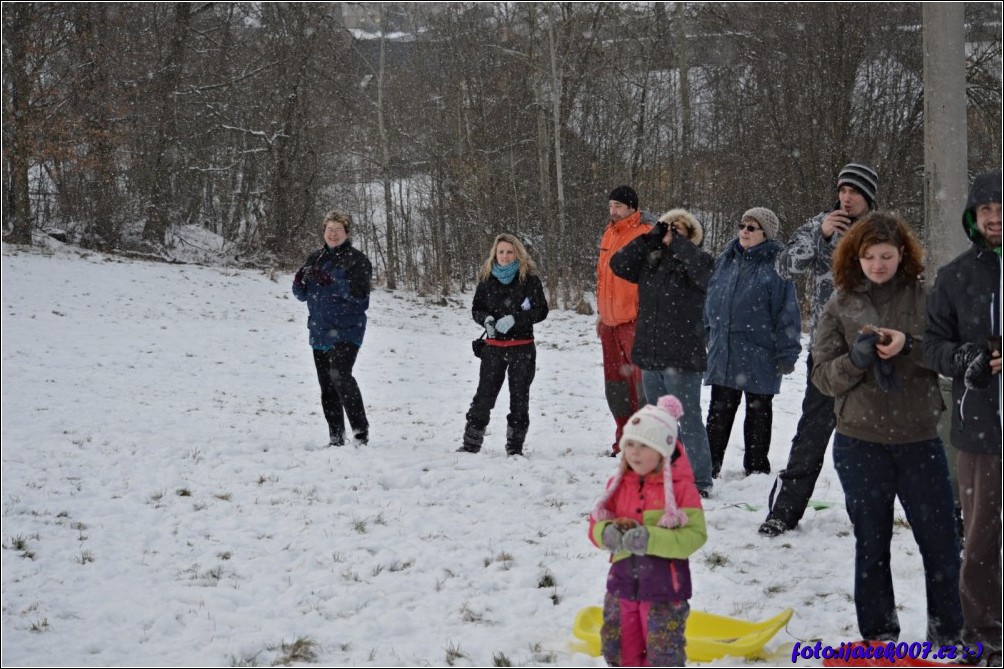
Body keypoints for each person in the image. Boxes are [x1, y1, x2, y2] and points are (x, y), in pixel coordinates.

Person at [812, 211, 963, 645]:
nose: (877, 264)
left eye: (886, 255)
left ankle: (949, 633)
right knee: (871, 546)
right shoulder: (840, 305)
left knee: (941, 544)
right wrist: (855, 362)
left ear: (902, 255)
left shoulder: (926, 298)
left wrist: (909, 345)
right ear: (855, 258)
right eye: (869, 256)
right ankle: (879, 636)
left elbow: (947, 357)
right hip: (860, 442)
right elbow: (821, 376)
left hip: (919, 440)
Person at [760, 162, 878, 536]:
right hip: (827, 351)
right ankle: (784, 511)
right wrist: (821, 237)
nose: (846, 197)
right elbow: (783, 268)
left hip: (871, 350)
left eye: (855, 191)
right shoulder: (818, 224)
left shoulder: (884, 231)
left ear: (868, 197)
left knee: (867, 437)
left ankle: (869, 516)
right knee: (812, 431)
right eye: (843, 190)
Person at [924, 170, 1002, 661]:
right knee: (980, 539)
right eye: (987, 210)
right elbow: (932, 347)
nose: (996, 218)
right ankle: (986, 631)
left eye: (1002, 209)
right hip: (981, 428)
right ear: (973, 218)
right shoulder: (955, 276)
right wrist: (967, 359)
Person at [588, 395, 708, 667]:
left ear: (663, 450)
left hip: (664, 593)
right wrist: (605, 533)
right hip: (621, 589)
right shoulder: (617, 484)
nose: (635, 452)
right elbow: (595, 523)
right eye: (629, 444)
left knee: (663, 656)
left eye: (644, 445)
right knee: (618, 651)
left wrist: (649, 539)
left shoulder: (680, 490)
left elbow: (695, 536)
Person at [610, 209, 715, 496]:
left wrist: (680, 244)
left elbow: (705, 274)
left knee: (688, 417)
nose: (671, 233)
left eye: (679, 230)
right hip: (651, 355)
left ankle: (700, 480)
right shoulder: (651, 262)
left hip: (682, 356)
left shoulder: (697, 262)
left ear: (691, 235)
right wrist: (650, 238)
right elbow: (617, 264)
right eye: (669, 228)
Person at [703, 207, 801, 477]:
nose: (744, 231)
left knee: (758, 412)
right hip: (724, 349)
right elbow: (711, 297)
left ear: (765, 234)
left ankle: (756, 469)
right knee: (719, 409)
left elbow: (787, 312)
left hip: (760, 352)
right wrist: (707, 331)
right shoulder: (726, 259)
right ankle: (709, 465)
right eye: (742, 225)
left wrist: (787, 353)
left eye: (752, 227)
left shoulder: (777, 266)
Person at [458, 234, 548, 456]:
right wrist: (486, 320)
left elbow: (541, 311)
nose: (505, 256)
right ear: (494, 254)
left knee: (519, 397)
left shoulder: (529, 280)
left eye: (509, 252)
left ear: (517, 253)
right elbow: (477, 309)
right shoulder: (487, 279)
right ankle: (471, 445)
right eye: (501, 252)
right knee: (484, 396)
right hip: (493, 348)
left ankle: (514, 448)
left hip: (522, 347)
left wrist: (516, 319)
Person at [292, 210, 373, 447]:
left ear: (347, 233)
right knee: (327, 384)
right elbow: (302, 295)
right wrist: (298, 282)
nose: (333, 234)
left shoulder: (357, 260)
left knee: (340, 374)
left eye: (338, 230)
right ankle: (336, 436)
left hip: (348, 329)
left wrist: (333, 282)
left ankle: (360, 431)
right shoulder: (315, 258)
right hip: (320, 329)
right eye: (329, 230)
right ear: (324, 232)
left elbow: (361, 296)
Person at [596, 186, 652, 454]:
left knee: (640, 385)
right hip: (609, 323)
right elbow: (602, 277)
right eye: (610, 206)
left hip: (634, 320)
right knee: (616, 385)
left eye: (618, 206)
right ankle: (623, 437)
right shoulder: (608, 232)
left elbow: (651, 281)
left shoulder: (644, 234)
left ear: (632, 207)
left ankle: (642, 440)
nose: (613, 211)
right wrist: (601, 314)